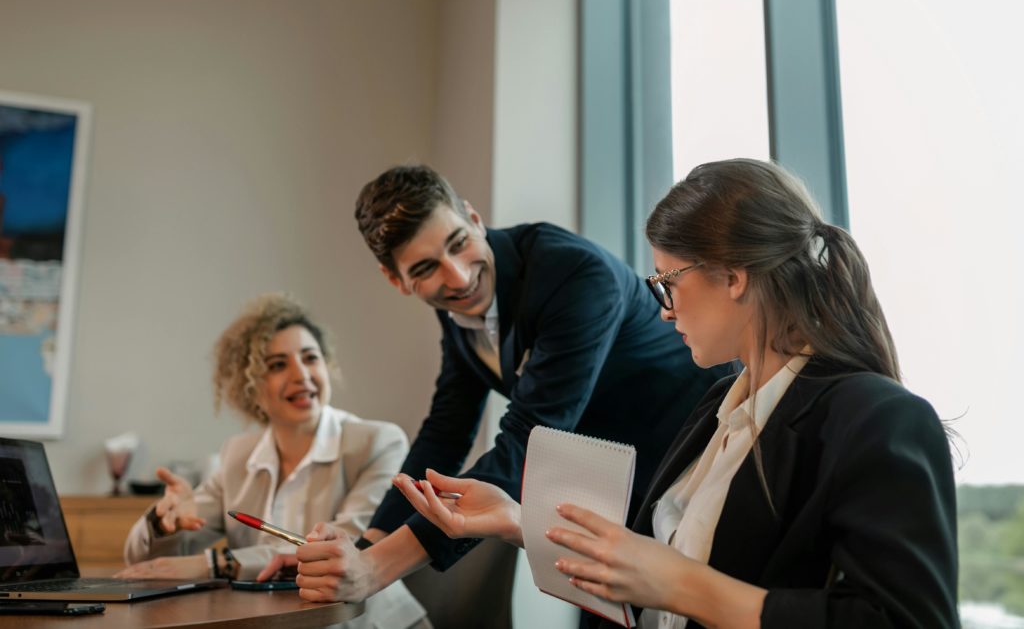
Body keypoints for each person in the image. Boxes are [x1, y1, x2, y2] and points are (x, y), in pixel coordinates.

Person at [391, 159, 959, 628]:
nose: (663, 311)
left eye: (668, 282)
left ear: (733, 277)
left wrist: (685, 586)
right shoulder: (713, 408)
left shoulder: (879, 418)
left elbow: (906, 621)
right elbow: (637, 571)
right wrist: (516, 520)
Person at [257, 165, 729, 609]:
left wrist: (375, 570)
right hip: (613, 497)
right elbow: (444, 433)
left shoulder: (574, 275)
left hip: (701, 468)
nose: (458, 277)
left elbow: (529, 440)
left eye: (459, 243)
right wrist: (354, 554)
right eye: (424, 269)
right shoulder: (459, 307)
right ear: (395, 279)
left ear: (475, 218)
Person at [117, 294, 427, 629]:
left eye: (310, 358)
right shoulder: (238, 455)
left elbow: (350, 548)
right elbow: (145, 562)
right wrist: (163, 526)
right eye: (277, 365)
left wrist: (217, 564)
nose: (301, 375)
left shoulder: (377, 442)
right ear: (250, 387)